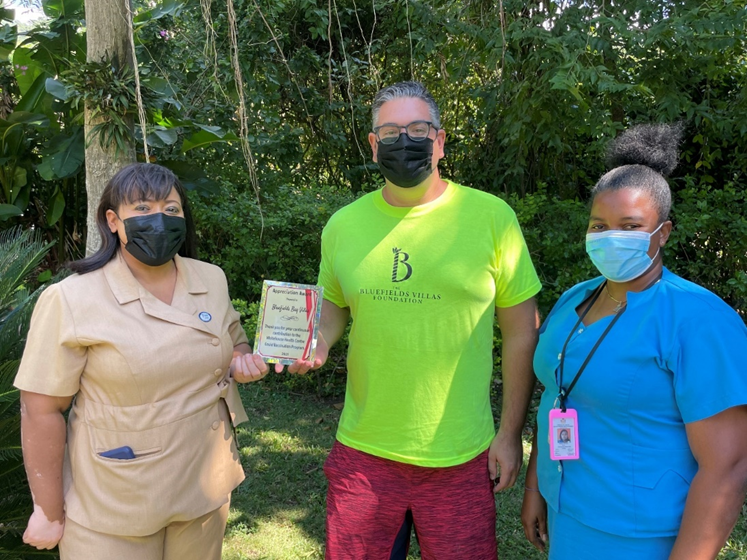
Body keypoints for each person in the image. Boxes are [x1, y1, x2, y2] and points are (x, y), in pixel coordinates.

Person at [288, 81, 542, 559]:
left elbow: (521, 332)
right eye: (390, 132)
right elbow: (335, 305)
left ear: (440, 141)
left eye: (418, 129)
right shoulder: (343, 225)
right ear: (373, 145)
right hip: (364, 452)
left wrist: (510, 434)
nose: (404, 141)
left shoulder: (491, 218)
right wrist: (317, 342)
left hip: (460, 455)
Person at [15, 163, 273, 559]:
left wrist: (241, 362)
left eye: (171, 209)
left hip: (204, 488)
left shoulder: (211, 279)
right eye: (142, 208)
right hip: (115, 501)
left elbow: (234, 342)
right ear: (113, 221)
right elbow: (41, 409)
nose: (159, 219)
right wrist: (47, 511)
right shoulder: (71, 299)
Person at [521, 123, 747, 559]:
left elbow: (729, 466)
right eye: (599, 225)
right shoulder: (574, 300)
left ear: (662, 232)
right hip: (568, 512)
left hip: (642, 535)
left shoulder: (700, 321)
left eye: (630, 226)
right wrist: (537, 488)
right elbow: (557, 395)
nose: (611, 238)